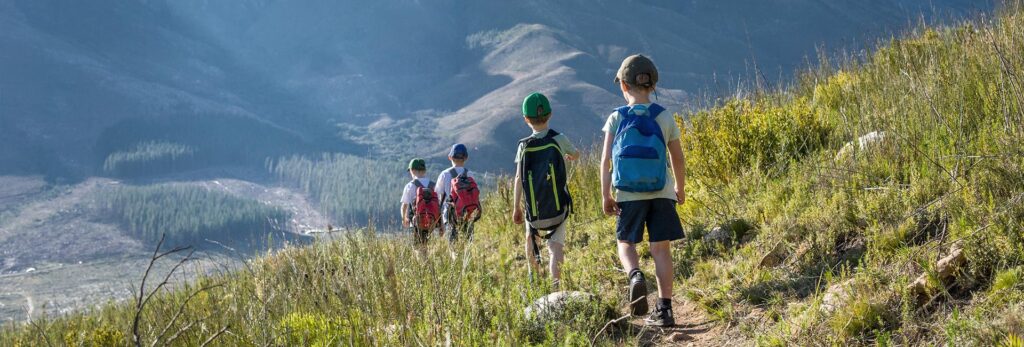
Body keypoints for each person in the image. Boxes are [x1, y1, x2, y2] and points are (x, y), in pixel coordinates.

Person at [600, 54, 686, 327]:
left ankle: (635, 274)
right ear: (653, 85)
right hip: (661, 192)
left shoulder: (616, 117)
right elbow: (677, 158)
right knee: (661, 250)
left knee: (625, 243)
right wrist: (679, 187)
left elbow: (605, 161)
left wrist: (606, 195)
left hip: (628, 194)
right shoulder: (663, 116)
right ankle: (665, 310)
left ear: (624, 86)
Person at [512, 92, 580, 287]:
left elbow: (518, 178)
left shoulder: (523, 146)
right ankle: (555, 286)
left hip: (533, 210)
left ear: (526, 119)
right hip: (559, 206)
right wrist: (571, 157)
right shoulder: (559, 138)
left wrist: (516, 207)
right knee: (555, 247)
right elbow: (575, 155)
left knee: (530, 240)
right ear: (550, 114)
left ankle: (534, 282)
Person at [436, 144, 479, 242]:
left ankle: (455, 257)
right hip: (467, 211)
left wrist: (440, 221)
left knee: (452, 244)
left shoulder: (444, 174)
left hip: (451, 213)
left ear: (450, 157)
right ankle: (467, 256)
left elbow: (439, 197)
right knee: (468, 241)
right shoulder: (470, 174)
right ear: (466, 158)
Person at [401, 158, 439, 244]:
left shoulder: (410, 186)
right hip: (431, 222)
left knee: (417, 248)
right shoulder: (433, 185)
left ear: (413, 170)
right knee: (428, 246)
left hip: (416, 222)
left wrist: (404, 218)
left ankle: (422, 258)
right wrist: (441, 225)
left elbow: (404, 206)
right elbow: (438, 205)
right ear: (424, 170)